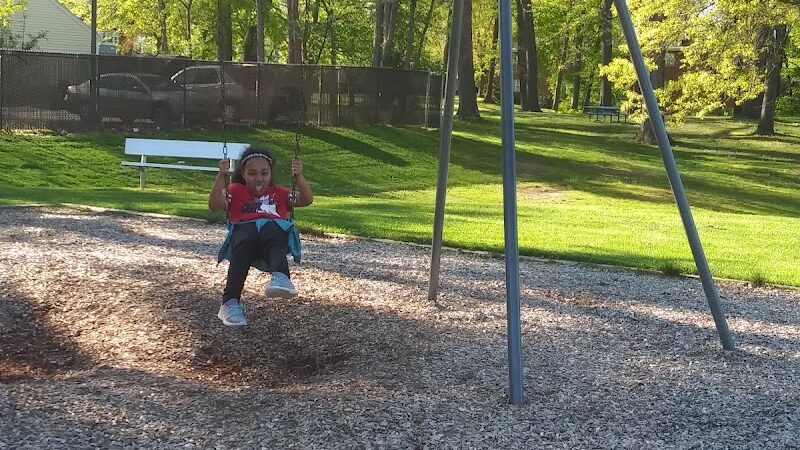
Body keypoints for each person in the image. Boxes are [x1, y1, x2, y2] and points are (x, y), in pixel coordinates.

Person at [208, 145, 313, 327]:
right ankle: (230, 302)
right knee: (247, 233)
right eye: (252, 173)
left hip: (271, 239)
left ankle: (281, 276)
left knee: (270, 228)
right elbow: (215, 205)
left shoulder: (279, 193)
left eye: (264, 173)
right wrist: (221, 176)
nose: (258, 179)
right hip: (245, 238)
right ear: (243, 173)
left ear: (271, 173)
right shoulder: (235, 190)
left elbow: (306, 199)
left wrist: (299, 177)